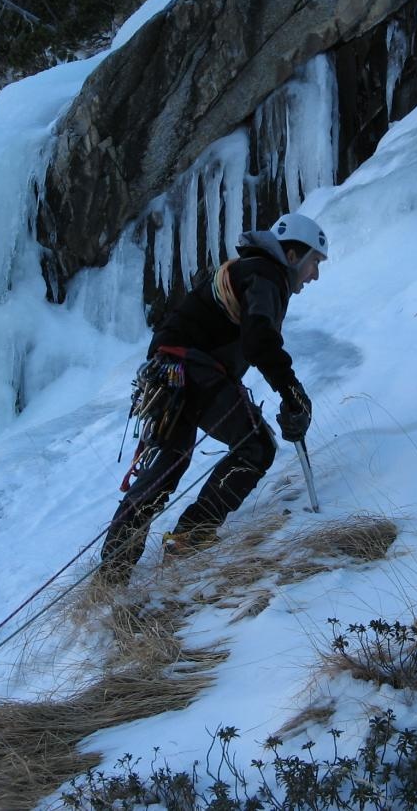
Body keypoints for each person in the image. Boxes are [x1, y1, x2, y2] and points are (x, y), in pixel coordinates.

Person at [100, 212, 328, 581]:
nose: (314, 275)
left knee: (167, 468)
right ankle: (189, 538)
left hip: (169, 371)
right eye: (314, 262)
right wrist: (291, 391)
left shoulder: (249, 270)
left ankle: (112, 571)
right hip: (195, 369)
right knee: (256, 445)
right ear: (292, 256)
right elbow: (259, 340)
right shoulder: (266, 274)